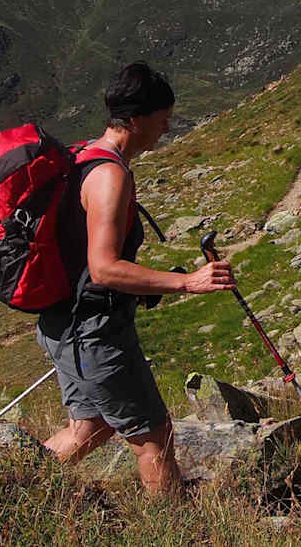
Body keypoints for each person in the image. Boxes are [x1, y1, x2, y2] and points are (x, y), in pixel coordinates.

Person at [37, 61, 236, 494]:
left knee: (89, 426)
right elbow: (104, 268)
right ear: (137, 119)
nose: (166, 129)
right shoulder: (109, 176)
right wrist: (187, 282)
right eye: (162, 120)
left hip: (65, 323)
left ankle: (12, 487)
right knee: (153, 436)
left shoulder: (84, 156)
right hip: (92, 331)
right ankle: (171, 533)